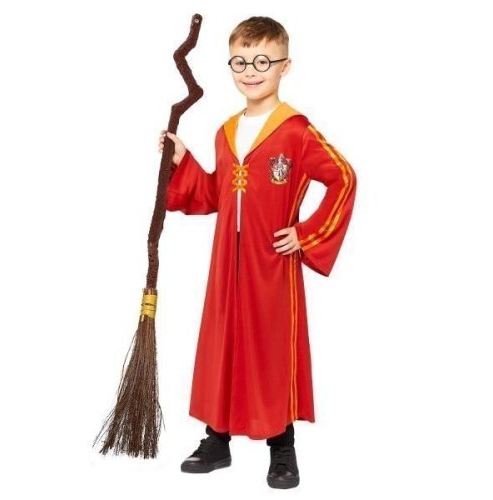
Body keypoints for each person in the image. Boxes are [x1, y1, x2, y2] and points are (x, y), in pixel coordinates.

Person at [158, 16, 357, 489]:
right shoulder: (226, 132)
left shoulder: (296, 131)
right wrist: (183, 162)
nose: (251, 71)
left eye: (263, 61)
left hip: (271, 264)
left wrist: (307, 234)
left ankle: (281, 445)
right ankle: (217, 439)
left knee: (271, 347)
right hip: (225, 264)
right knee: (221, 343)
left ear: (285, 66)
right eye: (241, 62)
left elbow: (343, 178)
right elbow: (216, 195)